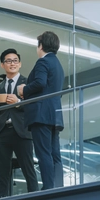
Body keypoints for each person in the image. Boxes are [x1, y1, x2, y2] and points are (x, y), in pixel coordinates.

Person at [0, 48, 38, 198]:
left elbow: (35, 107)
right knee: (2, 172)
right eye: (8, 61)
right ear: (2, 65)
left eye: (15, 61)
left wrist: (19, 102)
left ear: (19, 64)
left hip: (22, 131)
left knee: (29, 169)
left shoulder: (28, 83)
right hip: (1, 133)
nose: (12, 64)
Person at [17, 31, 65, 190]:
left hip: (41, 114)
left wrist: (24, 89)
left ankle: (49, 188)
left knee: (43, 152)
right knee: (54, 154)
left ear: (41, 46)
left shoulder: (42, 62)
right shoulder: (58, 64)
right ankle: (57, 186)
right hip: (55, 115)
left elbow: (39, 83)